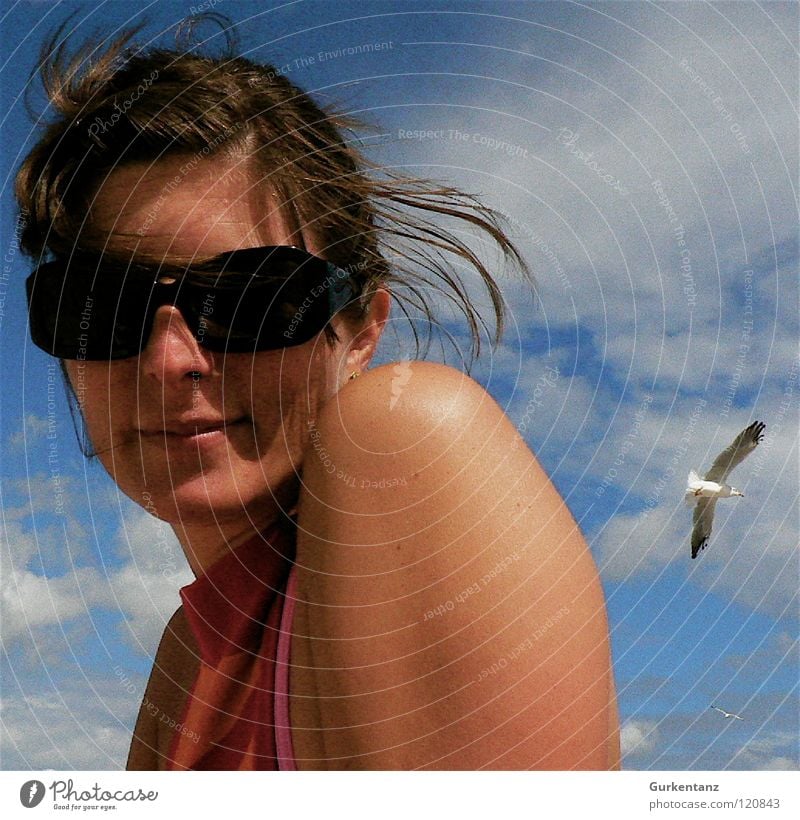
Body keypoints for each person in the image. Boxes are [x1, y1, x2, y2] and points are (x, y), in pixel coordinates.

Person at [17, 19, 619, 770]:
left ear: (362, 331)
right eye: (100, 307)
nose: (171, 360)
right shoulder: (186, 658)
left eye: (253, 298)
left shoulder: (412, 439)